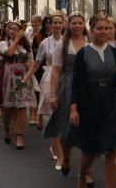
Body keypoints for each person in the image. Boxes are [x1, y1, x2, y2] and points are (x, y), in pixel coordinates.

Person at [69, 15, 116, 188]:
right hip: (90, 102)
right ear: (92, 30)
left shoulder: (115, 52)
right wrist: (73, 108)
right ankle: (82, 175)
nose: (104, 32)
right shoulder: (83, 53)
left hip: (112, 102)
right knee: (91, 149)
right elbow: (77, 83)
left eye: (107, 28)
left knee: (113, 148)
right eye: (99, 28)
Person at [44, 12, 89, 183]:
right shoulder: (63, 44)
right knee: (65, 126)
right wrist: (53, 94)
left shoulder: (90, 43)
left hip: (88, 87)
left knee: (87, 127)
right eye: (74, 23)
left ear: (84, 25)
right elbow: (56, 71)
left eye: (80, 23)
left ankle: (86, 171)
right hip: (68, 86)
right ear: (68, 25)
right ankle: (67, 156)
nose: (77, 26)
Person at [24, 12, 65, 164]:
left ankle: (59, 146)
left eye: (60, 23)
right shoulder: (44, 43)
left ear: (63, 24)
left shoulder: (67, 41)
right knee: (50, 113)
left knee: (63, 113)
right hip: (48, 77)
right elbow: (36, 64)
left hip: (64, 78)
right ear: (50, 24)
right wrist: (25, 79)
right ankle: (56, 146)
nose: (57, 25)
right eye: (55, 23)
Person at [0, 21, 35, 150]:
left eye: (15, 29)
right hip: (9, 76)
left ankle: (20, 136)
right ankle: (7, 129)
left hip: (23, 76)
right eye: (10, 29)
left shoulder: (26, 44)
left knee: (22, 107)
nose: (12, 31)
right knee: (8, 108)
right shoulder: (3, 43)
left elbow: (31, 59)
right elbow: (9, 53)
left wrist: (31, 63)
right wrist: (16, 40)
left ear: (20, 30)